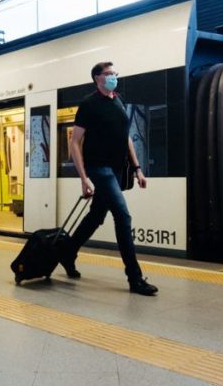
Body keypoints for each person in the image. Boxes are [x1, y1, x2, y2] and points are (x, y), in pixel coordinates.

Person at [64, 61, 158, 296]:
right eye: (108, 74)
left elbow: (125, 137)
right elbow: (74, 142)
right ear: (97, 78)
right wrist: (84, 177)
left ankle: (67, 252)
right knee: (123, 216)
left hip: (116, 169)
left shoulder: (118, 101)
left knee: (96, 216)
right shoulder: (88, 104)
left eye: (115, 73)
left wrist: (137, 168)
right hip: (99, 168)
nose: (113, 76)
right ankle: (135, 278)